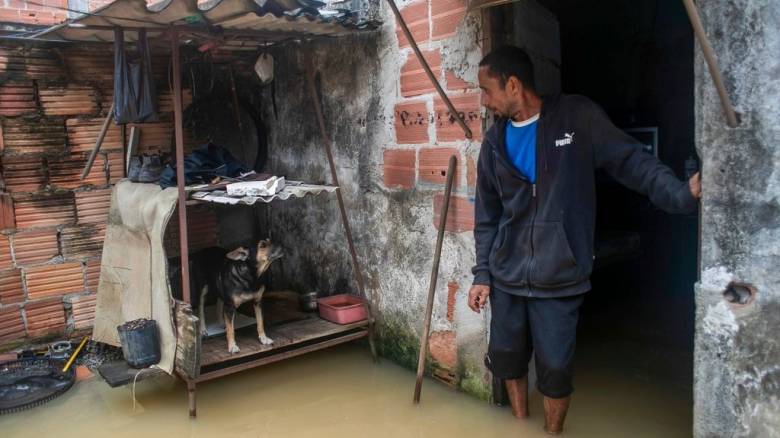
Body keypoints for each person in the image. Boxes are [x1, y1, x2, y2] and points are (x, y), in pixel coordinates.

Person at [468, 45, 701, 435]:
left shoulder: (576, 118)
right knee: (507, 359)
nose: (484, 101)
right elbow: (487, 217)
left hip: (560, 274)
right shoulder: (493, 143)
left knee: (556, 371)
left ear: (513, 85)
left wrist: (680, 194)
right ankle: (520, 426)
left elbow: (631, 161)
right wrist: (482, 274)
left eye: (487, 91)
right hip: (507, 276)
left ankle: (552, 433)